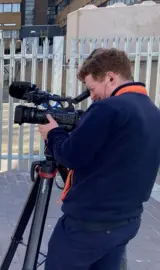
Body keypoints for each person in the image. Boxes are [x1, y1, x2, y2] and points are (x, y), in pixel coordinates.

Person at [38, 48, 160, 270]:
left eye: (92, 88)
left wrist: (53, 134)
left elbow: (70, 155)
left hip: (88, 225)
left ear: (111, 77)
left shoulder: (107, 109)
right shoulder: (153, 112)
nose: (92, 96)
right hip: (126, 222)